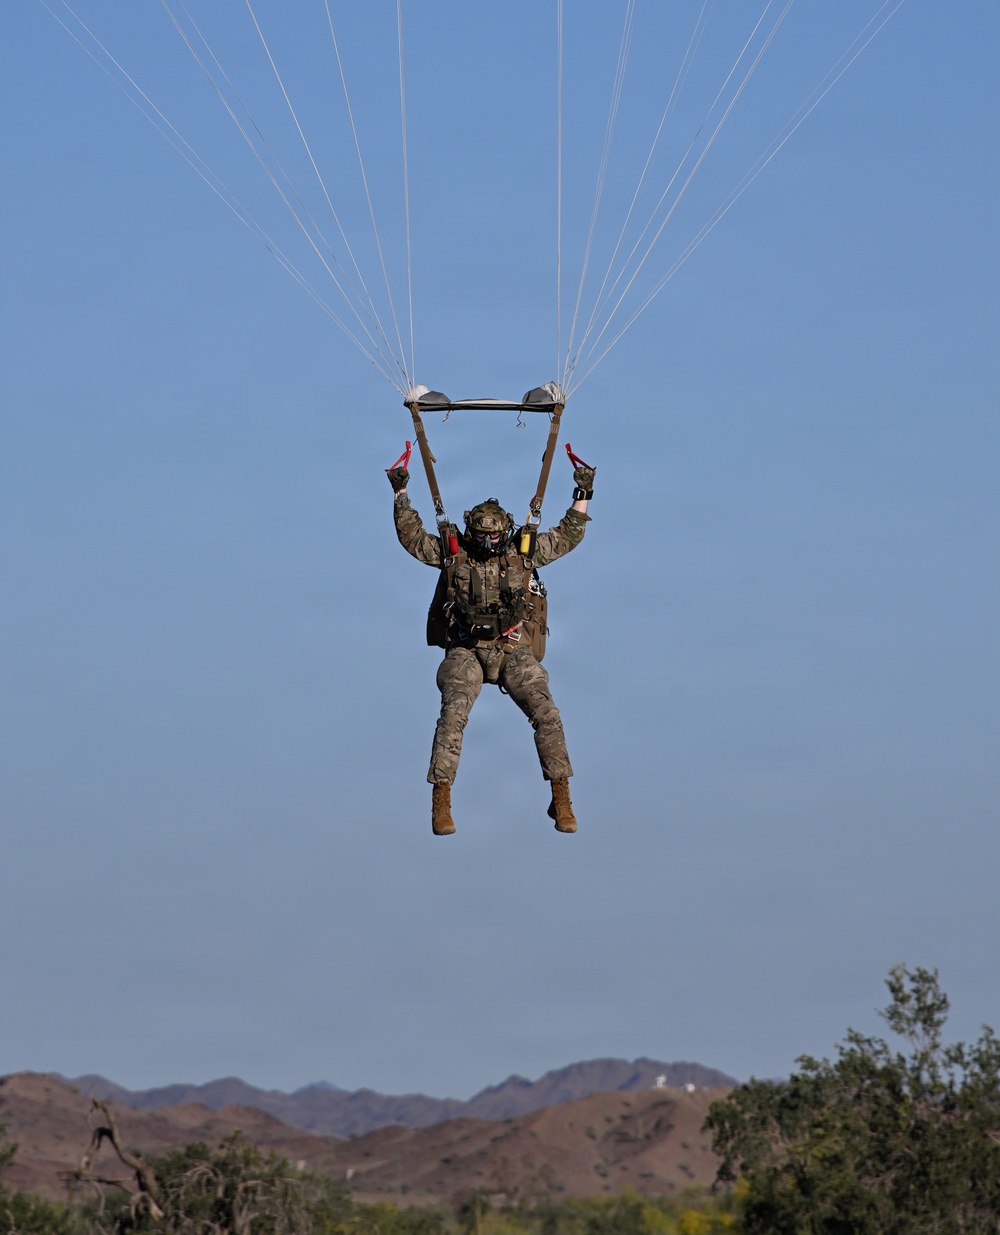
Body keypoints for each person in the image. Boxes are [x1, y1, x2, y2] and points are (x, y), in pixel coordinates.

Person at [387, 461, 595, 836]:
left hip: (511, 649)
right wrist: (401, 493)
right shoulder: (455, 556)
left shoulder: (522, 554)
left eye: (494, 538)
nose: (487, 544)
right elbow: (413, 538)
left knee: (546, 713)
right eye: (481, 538)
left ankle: (561, 798)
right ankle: (441, 802)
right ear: (470, 533)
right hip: (466, 650)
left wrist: (583, 492)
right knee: (453, 715)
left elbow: (568, 535)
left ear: (505, 533)